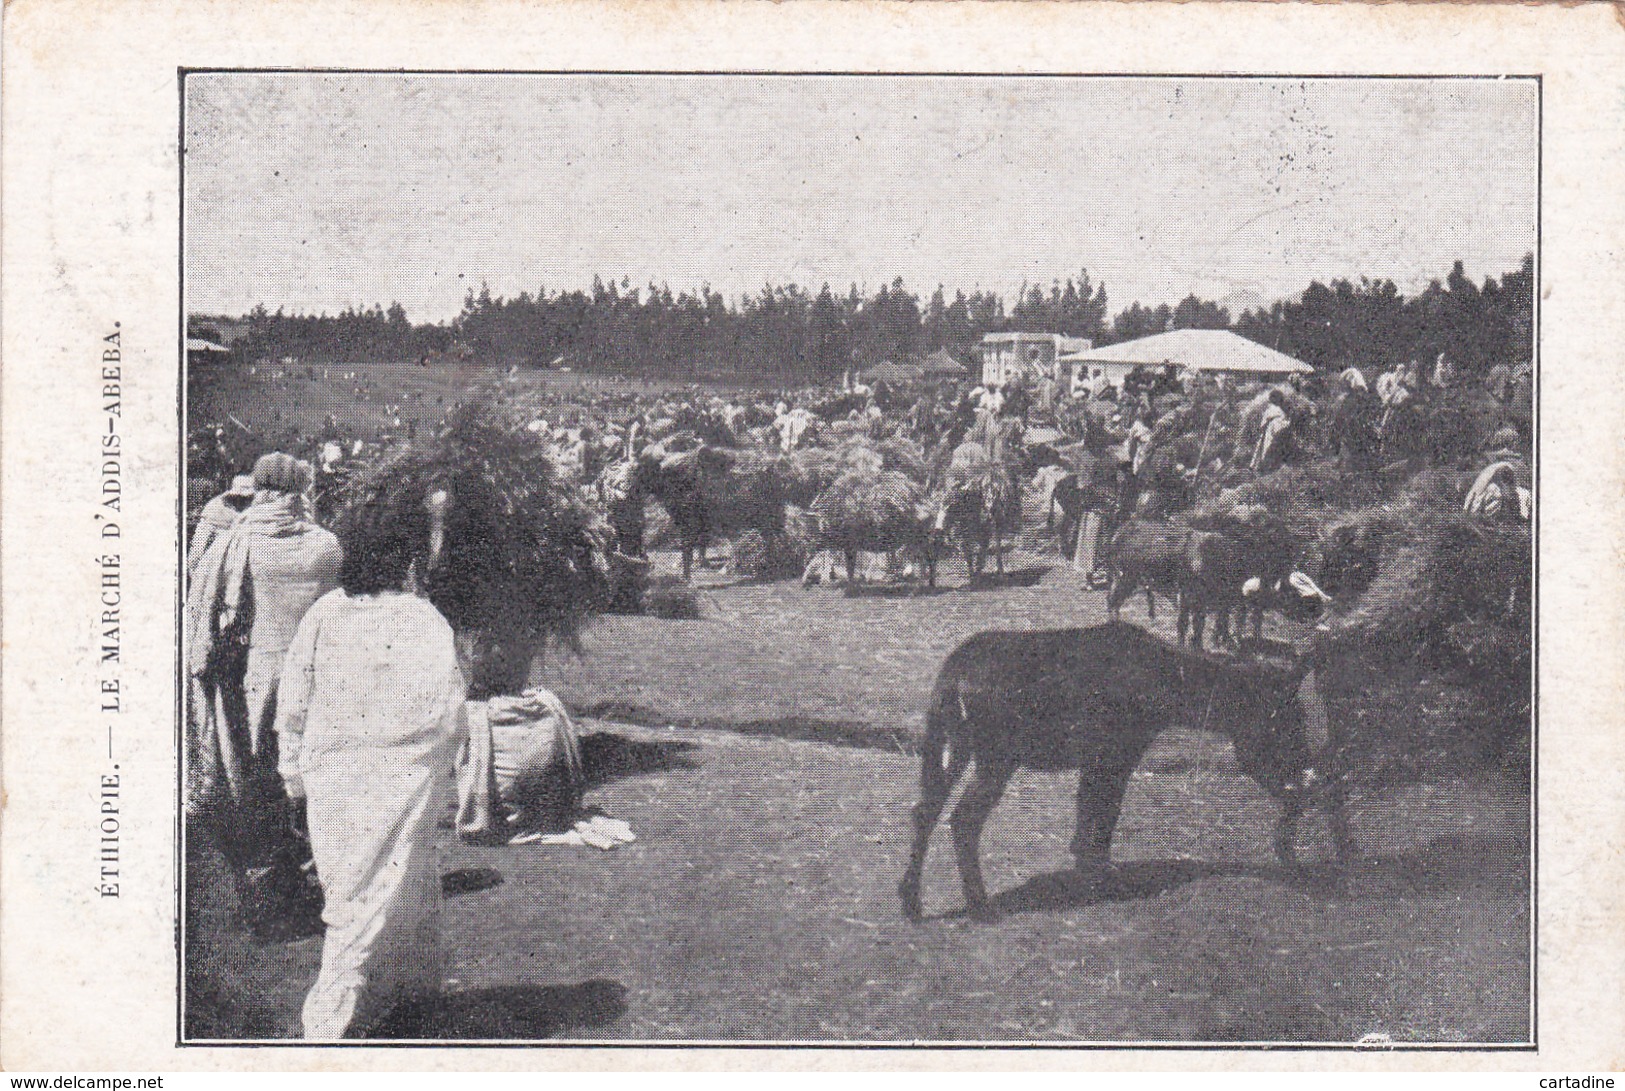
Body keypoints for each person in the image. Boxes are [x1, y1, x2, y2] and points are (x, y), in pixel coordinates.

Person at [274, 497, 468, 1039]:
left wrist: (293, 770)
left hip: (334, 774)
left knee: (357, 889)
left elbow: (294, 697)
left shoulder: (326, 612)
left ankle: (391, 997)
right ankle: (332, 1019)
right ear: (404, 557)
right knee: (380, 890)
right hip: (397, 775)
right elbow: (448, 710)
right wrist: (437, 764)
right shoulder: (420, 616)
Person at [184, 452, 342, 937]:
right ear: (301, 489)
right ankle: (320, 874)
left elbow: (205, 611)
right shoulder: (326, 546)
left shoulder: (235, 544)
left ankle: (273, 891)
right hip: (317, 682)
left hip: (253, 684)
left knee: (256, 781)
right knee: (311, 776)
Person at [186, 474, 256, 579]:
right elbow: (199, 543)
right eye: (238, 497)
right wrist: (194, 569)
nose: (242, 500)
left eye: (247, 498)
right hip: (219, 564)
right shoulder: (214, 508)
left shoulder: (257, 509)